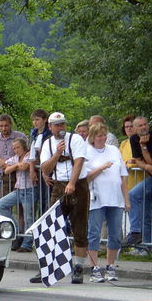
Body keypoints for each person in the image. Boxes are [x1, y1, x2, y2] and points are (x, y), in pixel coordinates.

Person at [36, 112, 89, 284]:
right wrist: (57, 154)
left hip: (78, 185)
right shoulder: (47, 144)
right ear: (50, 127)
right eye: (57, 125)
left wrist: (72, 183)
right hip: (58, 186)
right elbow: (45, 168)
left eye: (62, 124)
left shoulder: (76, 139)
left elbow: (79, 162)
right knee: (52, 227)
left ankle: (79, 268)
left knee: (80, 227)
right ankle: (47, 268)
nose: (60, 128)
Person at [85, 123, 129, 282]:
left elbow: (123, 176)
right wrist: (101, 168)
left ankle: (110, 266)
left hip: (115, 198)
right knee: (94, 233)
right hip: (97, 198)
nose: (102, 138)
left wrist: (126, 199)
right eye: (99, 136)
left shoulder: (114, 150)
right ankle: (94, 267)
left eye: (104, 135)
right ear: (93, 137)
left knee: (115, 234)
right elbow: (86, 177)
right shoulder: (87, 152)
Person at [123, 116, 152, 252]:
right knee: (133, 195)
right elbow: (138, 160)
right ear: (135, 128)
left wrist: (144, 146)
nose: (144, 127)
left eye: (145, 124)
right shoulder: (134, 139)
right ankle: (136, 233)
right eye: (140, 126)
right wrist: (146, 167)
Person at [0, 138, 37, 252]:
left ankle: (27, 244)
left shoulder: (29, 155)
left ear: (24, 146)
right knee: (0, 205)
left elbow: (24, 167)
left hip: (29, 189)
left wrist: (17, 165)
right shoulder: (15, 158)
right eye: (14, 148)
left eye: (18, 147)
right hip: (18, 189)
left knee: (29, 217)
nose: (16, 150)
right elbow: (6, 170)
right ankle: (17, 231)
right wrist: (17, 165)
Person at [0, 114, 26, 199]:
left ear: (10, 125)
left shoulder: (20, 136)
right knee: (3, 202)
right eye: (1, 126)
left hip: (20, 173)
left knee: (21, 203)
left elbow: (27, 153)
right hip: (5, 174)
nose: (4, 128)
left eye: (6, 126)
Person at [28, 109, 52, 212]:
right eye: (33, 120)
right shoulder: (34, 134)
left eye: (37, 120)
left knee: (48, 198)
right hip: (38, 169)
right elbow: (31, 154)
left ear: (45, 120)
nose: (35, 122)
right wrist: (32, 170)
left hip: (49, 169)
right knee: (40, 198)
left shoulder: (50, 134)